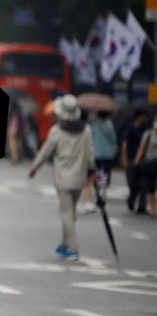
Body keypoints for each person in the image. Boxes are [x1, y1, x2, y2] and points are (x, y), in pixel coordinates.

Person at [29, 94, 97, 260]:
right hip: (79, 179)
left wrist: (34, 167)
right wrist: (92, 171)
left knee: (67, 214)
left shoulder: (57, 131)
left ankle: (73, 248)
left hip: (63, 179)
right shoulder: (86, 131)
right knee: (71, 213)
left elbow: (46, 151)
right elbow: (91, 155)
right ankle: (65, 244)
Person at [78, 110, 116, 212]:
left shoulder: (93, 126)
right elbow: (113, 139)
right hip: (108, 153)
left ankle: (98, 187)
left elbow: (91, 140)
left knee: (97, 172)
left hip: (96, 153)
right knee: (106, 172)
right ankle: (104, 190)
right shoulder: (109, 126)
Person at [121, 109, 150, 214]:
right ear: (138, 117)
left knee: (144, 183)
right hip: (131, 159)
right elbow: (125, 144)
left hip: (143, 160)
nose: (144, 119)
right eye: (142, 117)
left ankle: (142, 206)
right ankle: (131, 199)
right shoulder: (129, 129)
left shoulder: (146, 130)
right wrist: (124, 159)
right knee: (133, 184)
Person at [132, 113, 157, 218]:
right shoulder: (149, 133)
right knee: (150, 187)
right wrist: (137, 161)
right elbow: (142, 148)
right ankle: (153, 208)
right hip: (150, 162)